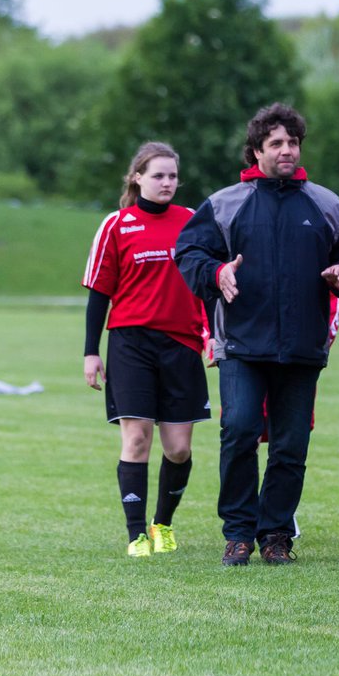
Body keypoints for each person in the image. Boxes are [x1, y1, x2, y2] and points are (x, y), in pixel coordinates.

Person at [176, 103, 339, 567]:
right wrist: (217, 272)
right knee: (238, 430)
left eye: (293, 142)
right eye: (276, 143)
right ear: (256, 150)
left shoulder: (325, 203)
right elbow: (189, 252)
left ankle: (276, 532)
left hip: (302, 345)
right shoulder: (225, 203)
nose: (286, 150)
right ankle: (238, 532)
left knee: (290, 444)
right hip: (241, 343)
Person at [82, 142, 208, 557]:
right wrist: (90, 351)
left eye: (172, 175)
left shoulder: (193, 221)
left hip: (182, 343)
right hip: (130, 343)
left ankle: (162, 525)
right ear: (137, 178)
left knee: (178, 447)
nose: (167, 182)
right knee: (136, 439)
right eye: (158, 175)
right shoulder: (117, 225)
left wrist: (212, 333)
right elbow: (99, 293)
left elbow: (210, 281)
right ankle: (136, 534)